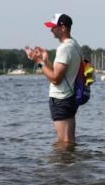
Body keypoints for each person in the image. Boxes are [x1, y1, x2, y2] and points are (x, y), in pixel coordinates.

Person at [24, 13, 82, 146]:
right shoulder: (74, 45)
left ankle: (63, 165)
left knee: (65, 142)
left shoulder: (65, 48)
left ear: (62, 28)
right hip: (69, 97)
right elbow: (59, 73)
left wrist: (38, 62)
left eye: (53, 27)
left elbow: (56, 79)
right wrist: (45, 60)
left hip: (61, 99)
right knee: (69, 141)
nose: (51, 30)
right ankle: (70, 165)